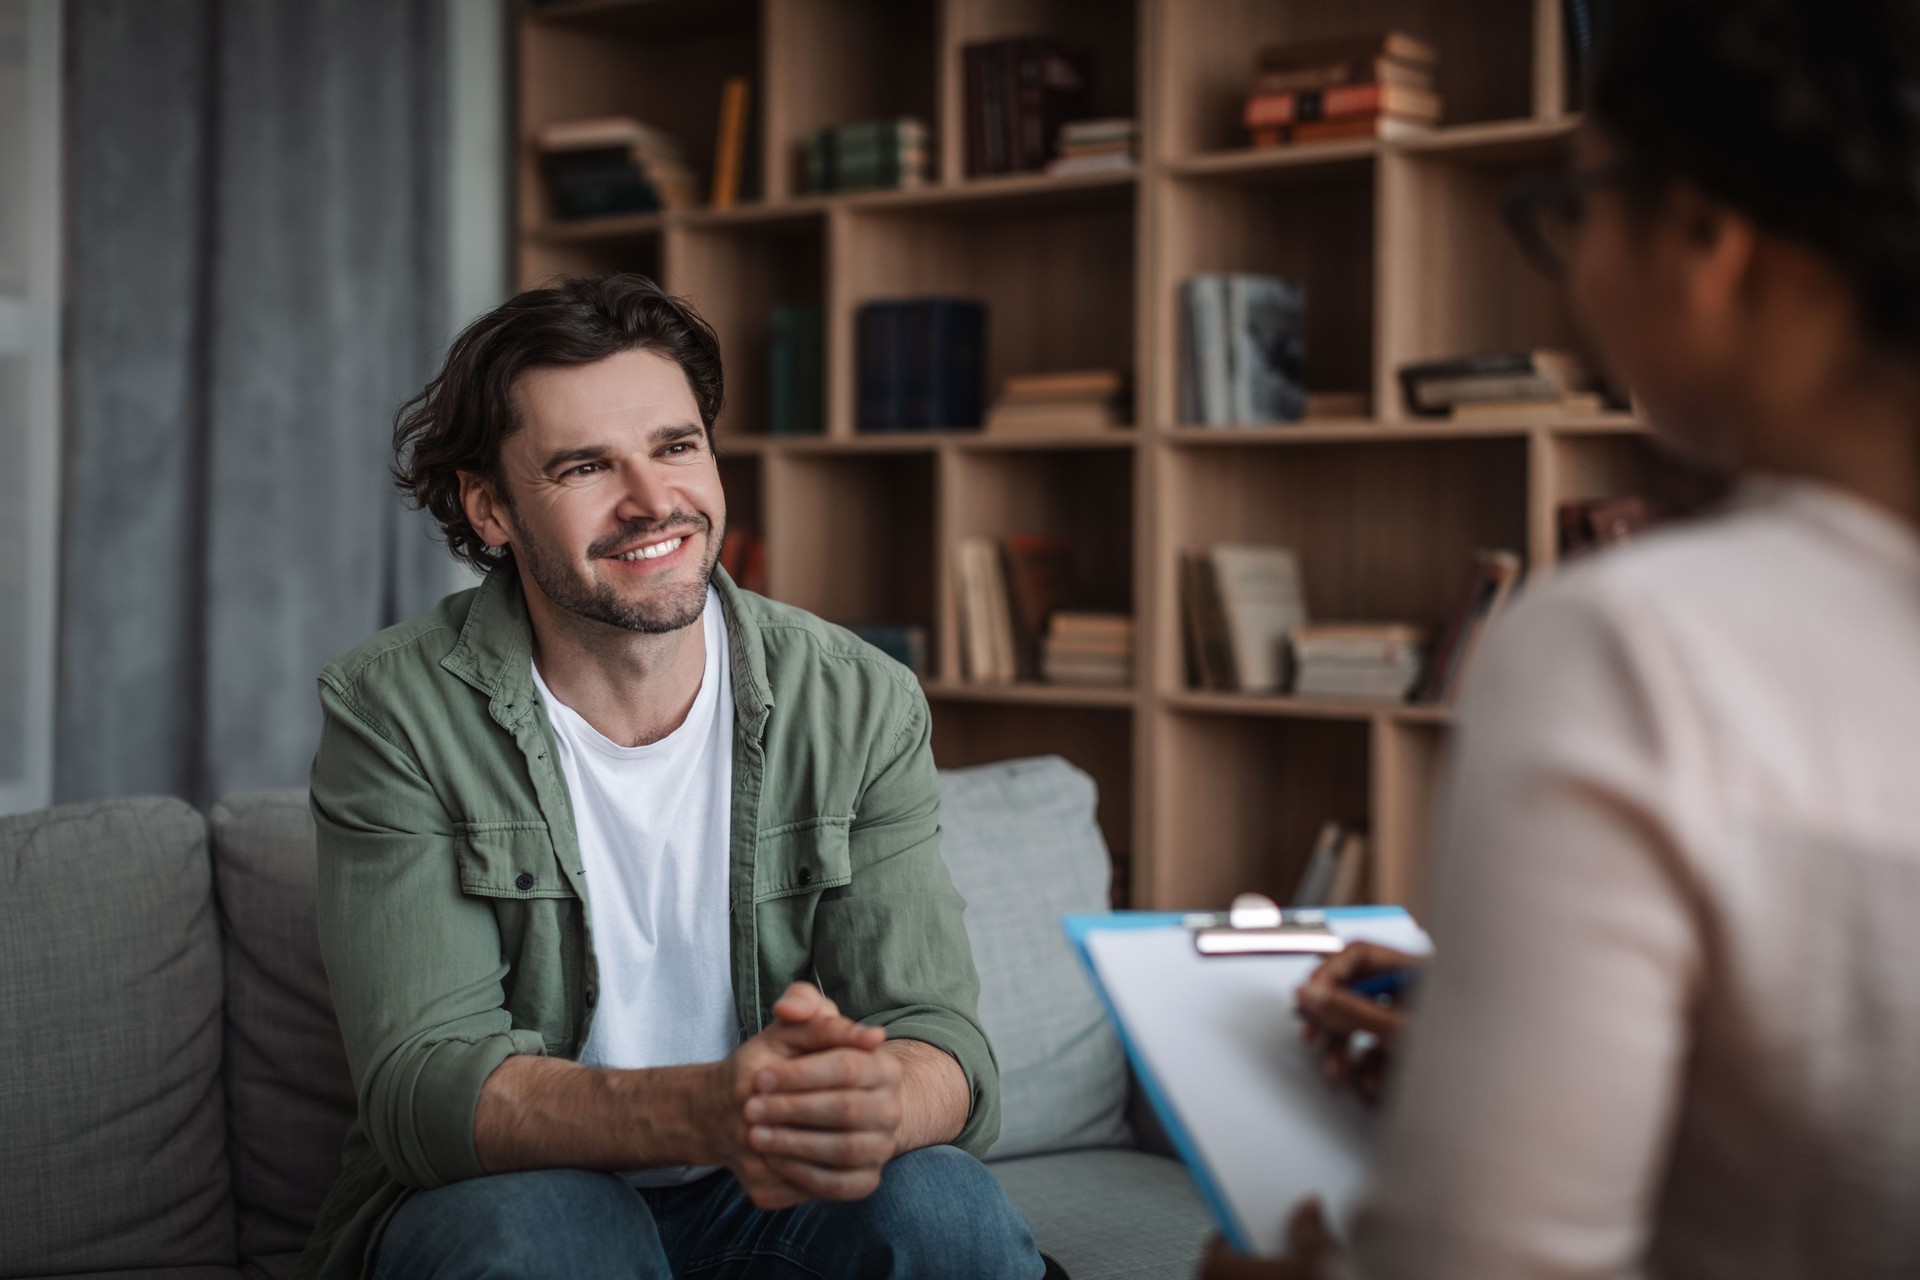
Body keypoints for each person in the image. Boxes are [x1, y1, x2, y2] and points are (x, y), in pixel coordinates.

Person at [1203, 0, 1920, 1275]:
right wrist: (1493, 1054)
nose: (1577, 269)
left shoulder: (1639, 646)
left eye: (1575, 206)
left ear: (1703, 233)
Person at [299, 274, 1044, 1279]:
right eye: (585, 466)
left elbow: (940, 1040)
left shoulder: (859, 699)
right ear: (490, 509)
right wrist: (703, 1106)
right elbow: (423, 1089)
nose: (655, 503)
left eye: (676, 445)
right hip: (526, 1191)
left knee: (948, 1206)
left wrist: (877, 1098)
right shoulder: (395, 712)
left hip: (768, 1198)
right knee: (548, 1238)